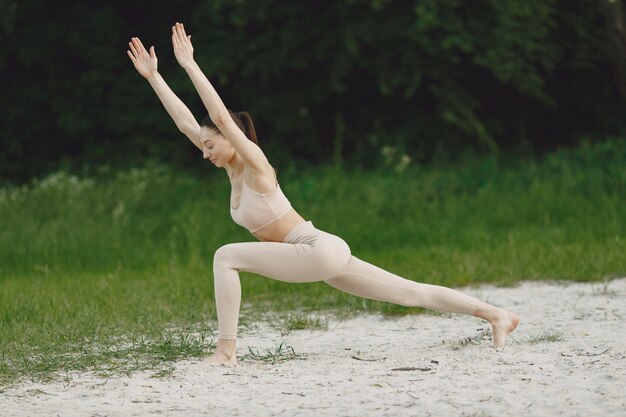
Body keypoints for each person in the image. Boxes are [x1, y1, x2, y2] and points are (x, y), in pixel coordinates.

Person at [126, 22, 520, 365]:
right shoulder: (230, 170)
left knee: (225, 256)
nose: (205, 151)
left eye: (211, 145)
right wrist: (153, 77)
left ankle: (226, 353)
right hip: (322, 252)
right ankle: (497, 315)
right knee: (408, 292)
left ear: (233, 140)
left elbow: (220, 119)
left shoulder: (257, 166)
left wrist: (191, 65)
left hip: (316, 248)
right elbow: (185, 122)